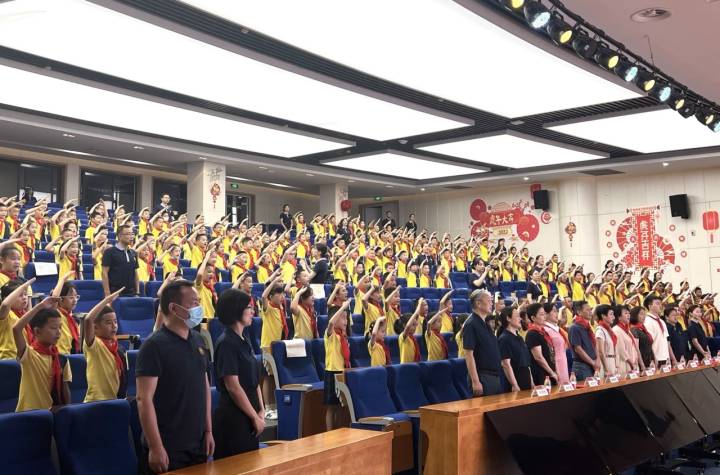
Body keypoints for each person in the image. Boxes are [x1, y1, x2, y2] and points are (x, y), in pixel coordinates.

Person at [136, 280, 214, 474]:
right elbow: (144, 399)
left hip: (197, 443)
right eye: (193, 303)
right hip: (168, 446)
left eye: (199, 302)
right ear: (173, 308)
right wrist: (155, 447)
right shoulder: (153, 346)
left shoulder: (198, 340)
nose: (198, 307)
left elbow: (204, 387)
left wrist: (208, 430)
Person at [212, 288, 264, 459]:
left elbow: (254, 380)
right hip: (234, 418)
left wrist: (261, 409)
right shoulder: (226, 343)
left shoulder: (244, 339)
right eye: (249, 307)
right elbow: (233, 387)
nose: (252, 311)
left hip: (250, 416)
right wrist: (254, 416)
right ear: (236, 310)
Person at [13, 283, 73, 412]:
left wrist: (67, 412)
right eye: (53, 328)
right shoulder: (29, 355)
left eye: (60, 328)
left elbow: (65, 390)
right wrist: (40, 306)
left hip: (51, 414)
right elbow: (16, 328)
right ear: (37, 331)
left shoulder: (61, 359)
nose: (58, 332)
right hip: (28, 414)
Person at [83, 289, 127, 402]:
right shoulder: (94, 345)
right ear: (95, 328)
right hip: (96, 401)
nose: (114, 326)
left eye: (115, 322)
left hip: (114, 399)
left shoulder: (117, 347)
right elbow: (88, 319)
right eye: (108, 323)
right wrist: (107, 300)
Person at [463, 289, 502, 396]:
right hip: (482, 377)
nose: (492, 303)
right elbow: (468, 354)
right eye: (489, 301)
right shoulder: (471, 324)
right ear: (478, 303)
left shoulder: (485, 323)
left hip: (493, 376)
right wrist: (475, 381)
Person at [324, 300, 351, 431]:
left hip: (342, 372)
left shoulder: (343, 336)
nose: (346, 321)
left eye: (346, 318)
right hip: (332, 372)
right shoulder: (330, 334)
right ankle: (330, 432)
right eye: (343, 318)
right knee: (331, 407)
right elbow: (331, 323)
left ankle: (339, 431)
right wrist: (342, 307)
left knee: (341, 406)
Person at [497, 307, 533, 392]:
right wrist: (514, 385)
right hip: (515, 380)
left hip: (526, 379)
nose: (520, 319)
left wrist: (532, 383)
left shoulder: (519, 337)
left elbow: (526, 364)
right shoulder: (504, 339)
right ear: (508, 318)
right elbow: (506, 364)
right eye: (517, 316)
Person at [102, 224, 139, 297]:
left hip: (131, 294)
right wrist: (107, 294)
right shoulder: (109, 252)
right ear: (119, 236)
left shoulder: (133, 253)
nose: (131, 237)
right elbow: (104, 273)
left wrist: (137, 292)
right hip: (115, 294)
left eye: (132, 234)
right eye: (128, 234)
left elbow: (135, 273)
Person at [525, 303, 558, 386]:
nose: (544, 317)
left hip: (550, 371)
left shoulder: (543, 332)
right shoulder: (532, 334)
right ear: (533, 318)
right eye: (541, 314)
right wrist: (551, 372)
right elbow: (538, 357)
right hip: (541, 373)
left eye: (544, 314)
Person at [568, 301, 599, 382]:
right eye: (587, 310)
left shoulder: (587, 326)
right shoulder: (574, 327)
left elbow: (594, 344)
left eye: (590, 309)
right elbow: (578, 349)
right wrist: (593, 363)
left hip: (592, 364)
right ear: (579, 312)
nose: (590, 312)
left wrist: (597, 360)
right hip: (581, 366)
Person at [644, 294, 675, 367]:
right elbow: (648, 343)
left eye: (661, 303)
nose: (660, 306)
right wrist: (653, 359)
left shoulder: (662, 321)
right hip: (656, 359)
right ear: (650, 306)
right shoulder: (647, 321)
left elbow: (667, 342)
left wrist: (673, 358)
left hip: (666, 358)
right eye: (657, 303)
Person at [542, 302, 570, 385]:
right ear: (546, 314)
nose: (557, 313)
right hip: (555, 365)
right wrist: (553, 370)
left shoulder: (557, 329)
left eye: (557, 311)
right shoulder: (545, 329)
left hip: (563, 362)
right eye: (554, 311)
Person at [613, 305, 641, 377]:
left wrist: (635, 360)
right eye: (625, 313)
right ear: (619, 317)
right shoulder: (616, 330)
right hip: (624, 364)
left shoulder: (627, 330)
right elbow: (621, 350)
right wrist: (631, 362)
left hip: (633, 364)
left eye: (629, 313)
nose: (628, 315)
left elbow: (633, 346)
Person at [594, 304, 617, 377]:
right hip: (606, 363)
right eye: (611, 314)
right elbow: (600, 352)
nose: (614, 317)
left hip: (612, 361)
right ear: (603, 316)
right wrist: (606, 369)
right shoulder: (600, 330)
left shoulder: (609, 330)